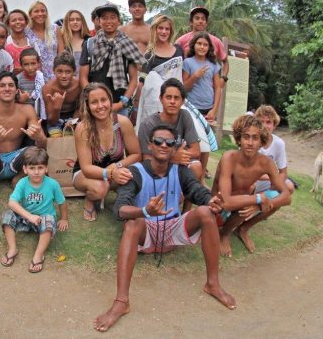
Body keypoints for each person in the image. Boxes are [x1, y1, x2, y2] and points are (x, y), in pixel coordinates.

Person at [92, 125, 235, 332]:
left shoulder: (181, 171)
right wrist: (145, 210)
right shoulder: (135, 172)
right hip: (146, 232)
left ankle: (212, 283)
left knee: (206, 212)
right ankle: (121, 301)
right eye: (158, 141)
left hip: (173, 230)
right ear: (150, 145)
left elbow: (196, 191)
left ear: (174, 147)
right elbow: (120, 209)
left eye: (169, 142)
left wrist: (211, 200)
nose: (164, 145)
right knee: (132, 223)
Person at [213, 115, 291, 257]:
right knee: (246, 204)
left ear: (261, 141)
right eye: (246, 137)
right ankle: (223, 234)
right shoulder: (229, 158)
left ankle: (243, 229)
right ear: (238, 139)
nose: (250, 143)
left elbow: (286, 196)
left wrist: (260, 204)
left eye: (255, 138)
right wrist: (258, 199)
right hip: (217, 208)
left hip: (240, 203)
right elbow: (226, 202)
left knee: (273, 198)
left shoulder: (266, 163)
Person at [0, 72, 47, 205]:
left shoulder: (27, 110)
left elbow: (43, 145)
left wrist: (38, 137)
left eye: (11, 85)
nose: (7, 89)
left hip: (17, 161)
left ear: (17, 90)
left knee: (36, 151)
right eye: (2, 86)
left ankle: (18, 180)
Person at [73, 83, 141, 221]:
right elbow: (86, 168)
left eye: (103, 100)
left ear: (110, 100)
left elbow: (136, 154)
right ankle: (90, 199)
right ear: (87, 105)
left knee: (133, 177)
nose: (100, 106)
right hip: (86, 174)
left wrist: (117, 167)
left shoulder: (123, 122)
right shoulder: (82, 128)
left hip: (115, 170)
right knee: (100, 188)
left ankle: (122, 201)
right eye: (94, 102)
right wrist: (109, 173)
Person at [0, 147, 68, 273]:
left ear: (46, 168)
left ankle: (38, 255)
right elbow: (12, 202)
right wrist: (29, 216)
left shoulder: (53, 184)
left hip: (43, 218)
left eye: (40, 168)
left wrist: (64, 219)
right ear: (25, 169)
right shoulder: (22, 183)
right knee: (7, 215)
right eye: (32, 168)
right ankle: (12, 249)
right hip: (27, 218)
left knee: (48, 221)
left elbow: (62, 202)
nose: (36, 172)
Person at [79, 4, 142, 116]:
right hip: (96, 106)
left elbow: (133, 80)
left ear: (118, 21)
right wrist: (92, 99)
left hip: (120, 104)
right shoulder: (90, 44)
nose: (109, 21)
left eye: (112, 17)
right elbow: (83, 77)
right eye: (104, 18)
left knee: (121, 132)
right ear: (99, 21)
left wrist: (122, 103)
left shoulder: (127, 44)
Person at [137, 78, 203, 180]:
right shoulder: (148, 124)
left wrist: (178, 157)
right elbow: (147, 159)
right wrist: (173, 157)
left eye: (176, 98)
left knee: (196, 166)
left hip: (177, 164)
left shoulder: (185, 116)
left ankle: (186, 195)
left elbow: (196, 151)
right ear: (161, 99)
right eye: (168, 97)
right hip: (155, 168)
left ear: (182, 101)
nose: (172, 101)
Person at [183, 31, 222, 179]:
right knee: (191, 142)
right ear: (194, 45)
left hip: (208, 110)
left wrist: (214, 109)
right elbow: (184, 87)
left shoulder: (213, 65)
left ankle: (200, 177)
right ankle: (188, 173)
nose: (202, 47)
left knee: (206, 145)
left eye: (205, 44)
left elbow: (218, 88)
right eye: (199, 43)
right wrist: (195, 76)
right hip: (192, 108)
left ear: (209, 47)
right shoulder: (188, 63)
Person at [134, 14, 185, 122]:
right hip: (155, 103)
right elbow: (142, 82)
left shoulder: (179, 50)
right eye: (160, 28)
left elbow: (183, 75)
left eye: (167, 29)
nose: (163, 32)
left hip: (177, 98)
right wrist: (136, 106)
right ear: (155, 30)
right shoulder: (149, 55)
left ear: (170, 31)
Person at [175, 6, 229, 85]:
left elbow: (225, 62)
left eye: (203, 19)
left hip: (209, 90)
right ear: (191, 22)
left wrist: (223, 78)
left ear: (206, 22)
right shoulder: (181, 41)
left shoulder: (216, 41)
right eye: (197, 18)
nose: (200, 21)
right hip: (187, 89)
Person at [254, 105, 296, 194]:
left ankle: (261, 203)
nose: (264, 126)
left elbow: (283, 173)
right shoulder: (251, 140)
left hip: (268, 180)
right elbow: (246, 171)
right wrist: (272, 177)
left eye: (268, 122)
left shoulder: (279, 143)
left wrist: (276, 183)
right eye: (261, 122)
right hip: (251, 180)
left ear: (274, 125)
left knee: (289, 187)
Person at [42, 52, 82, 136]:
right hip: (55, 118)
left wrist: (73, 122)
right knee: (55, 136)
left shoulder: (79, 85)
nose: (63, 76)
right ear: (54, 71)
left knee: (74, 135)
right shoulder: (48, 88)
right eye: (59, 71)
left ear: (74, 71)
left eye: (68, 72)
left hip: (73, 116)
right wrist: (57, 107)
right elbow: (51, 121)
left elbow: (80, 108)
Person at [25, 0, 59, 79]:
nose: (40, 14)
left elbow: (61, 53)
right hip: (35, 75)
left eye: (43, 11)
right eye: (36, 11)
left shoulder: (55, 29)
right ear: (30, 15)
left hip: (55, 74)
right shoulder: (26, 31)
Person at [57, 9, 90, 77]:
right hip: (67, 81)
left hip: (87, 80)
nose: (75, 22)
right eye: (71, 20)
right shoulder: (61, 41)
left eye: (78, 19)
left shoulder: (90, 41)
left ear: (82, 22)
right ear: (66, 22)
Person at [16, 48, 45, 113]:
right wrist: (21, 100)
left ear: (38, 63)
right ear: (21, 65)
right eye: (26, 64)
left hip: (40, 113)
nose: (30, 68)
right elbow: (13, 102)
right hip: (24, 114)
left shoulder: (42, 78)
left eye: (33, 63)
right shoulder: (18, 80)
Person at [4, 9, 31, 74]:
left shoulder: (32, 41)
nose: (17, 22)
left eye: (21, 19)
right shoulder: (5, 41)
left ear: (26, 22)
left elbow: (38, 63)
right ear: (8, 24)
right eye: (13, 20)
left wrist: (23, 68)